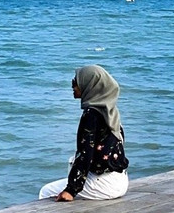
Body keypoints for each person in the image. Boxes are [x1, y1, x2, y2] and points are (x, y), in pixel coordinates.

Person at [39, 65, 130, 201]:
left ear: (90, 85)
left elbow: (85, 154)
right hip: (121, 181)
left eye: (76, 83)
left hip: (104, 185)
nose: (73, 87)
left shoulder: (91, 115)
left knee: (46, 192)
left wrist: (71, 190)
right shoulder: (110, 111)